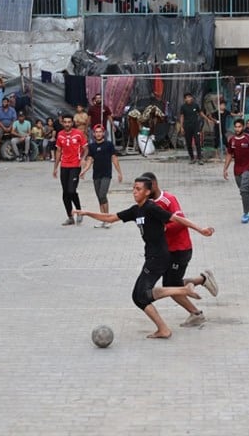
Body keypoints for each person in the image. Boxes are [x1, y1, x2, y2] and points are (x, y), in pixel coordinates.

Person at [73, 176, 215, 339]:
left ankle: (179, 298)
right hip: (153, 257)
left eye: (138, 189)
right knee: (141, 296)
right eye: (133, 188)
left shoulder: (151, 208)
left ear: (147, 192)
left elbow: (176, 218)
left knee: (140, 295)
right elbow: (110, 218)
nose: (134, 191)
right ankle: (165, 324)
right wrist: (86, 212)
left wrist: (200, 229)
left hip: (159, 257)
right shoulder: (136, 210)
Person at [140, 171, 219, 327]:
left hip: (180, 249)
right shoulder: (146, 203)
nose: (142, 192)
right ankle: (203, 279)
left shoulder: (168, 199)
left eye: (144, 188)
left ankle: (196, 314)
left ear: (153, 185)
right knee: (172, 284)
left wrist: (162, 229)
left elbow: (179, 220)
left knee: (172, 286)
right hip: (165, 251)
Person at [79, 124, 123, 227]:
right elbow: (90, 160)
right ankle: (103, 219)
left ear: (103, 133)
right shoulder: (92, 146)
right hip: (96, 175)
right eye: (96, 132)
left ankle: (108, 219)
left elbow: (114, 158)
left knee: (103, 195)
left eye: (100, 132)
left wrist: (119, 173)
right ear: (93, 134)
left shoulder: (109, 145)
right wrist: (84, 170)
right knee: (99, 197)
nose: (98, 134)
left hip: (106, 174)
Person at [52, 113, 88, 226]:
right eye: (65, 122)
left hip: (75, 166)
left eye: (69, 122)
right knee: (65, 193)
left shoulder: (78, 134)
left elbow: (85, 148)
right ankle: (70, 217)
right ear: (62, 123)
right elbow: (58, 151)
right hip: (64, 166)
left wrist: (83, 158)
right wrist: (55, 167)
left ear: (72, 123)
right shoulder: (60, 134)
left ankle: (79, 211)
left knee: (71, 190)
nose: (67, 124)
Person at [179, 92, 210, 165]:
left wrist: (206, 118)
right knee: (189, 143)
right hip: (187, 127)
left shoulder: (195, 105)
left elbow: (200, 113)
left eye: (190, 97)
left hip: (195, 126)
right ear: (185, 99)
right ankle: (192, 158)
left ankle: (199, 158)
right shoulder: (183, 107)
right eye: (187, 97)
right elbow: (182, 116)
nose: (189, 98)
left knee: (197, 142)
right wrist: (181, 127)